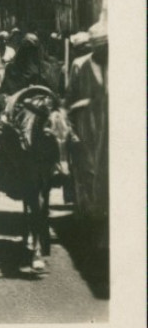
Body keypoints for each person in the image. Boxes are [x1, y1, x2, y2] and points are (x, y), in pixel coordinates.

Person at [67, 20, 108, 231]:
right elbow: (70, 98)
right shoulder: (79, 65)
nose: (105, 51)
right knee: (87, 170)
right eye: (101, 47)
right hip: (87, 126)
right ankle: (87, 215)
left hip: (109, 127)